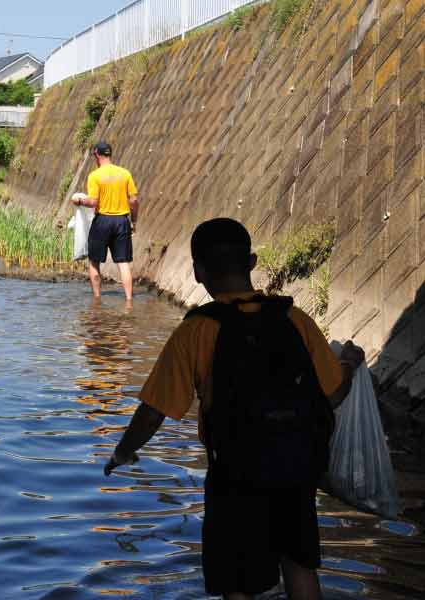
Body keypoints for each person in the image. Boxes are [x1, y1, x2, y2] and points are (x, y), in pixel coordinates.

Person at [103, 218, 367, 600]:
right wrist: (348, 366)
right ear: (253, 262)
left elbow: (154, 410)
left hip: (234, 477)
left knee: (235, 582)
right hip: (296, 470)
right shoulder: (295, 320)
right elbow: (333, 394)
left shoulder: (195, 331)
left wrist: (123, 451)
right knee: (299, 564)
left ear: (197, 271)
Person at [71, 141, 139, 301]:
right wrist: (134, 221)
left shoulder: (95, 176)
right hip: (122, 221)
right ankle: (129, 300)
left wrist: (79, 201)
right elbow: (134, 200)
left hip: (102, 221)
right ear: (110, 154)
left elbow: (93, 202)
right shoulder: (125, 173)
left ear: (97, 155)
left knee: (94, 261)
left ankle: (97, 299)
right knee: (123, 263)